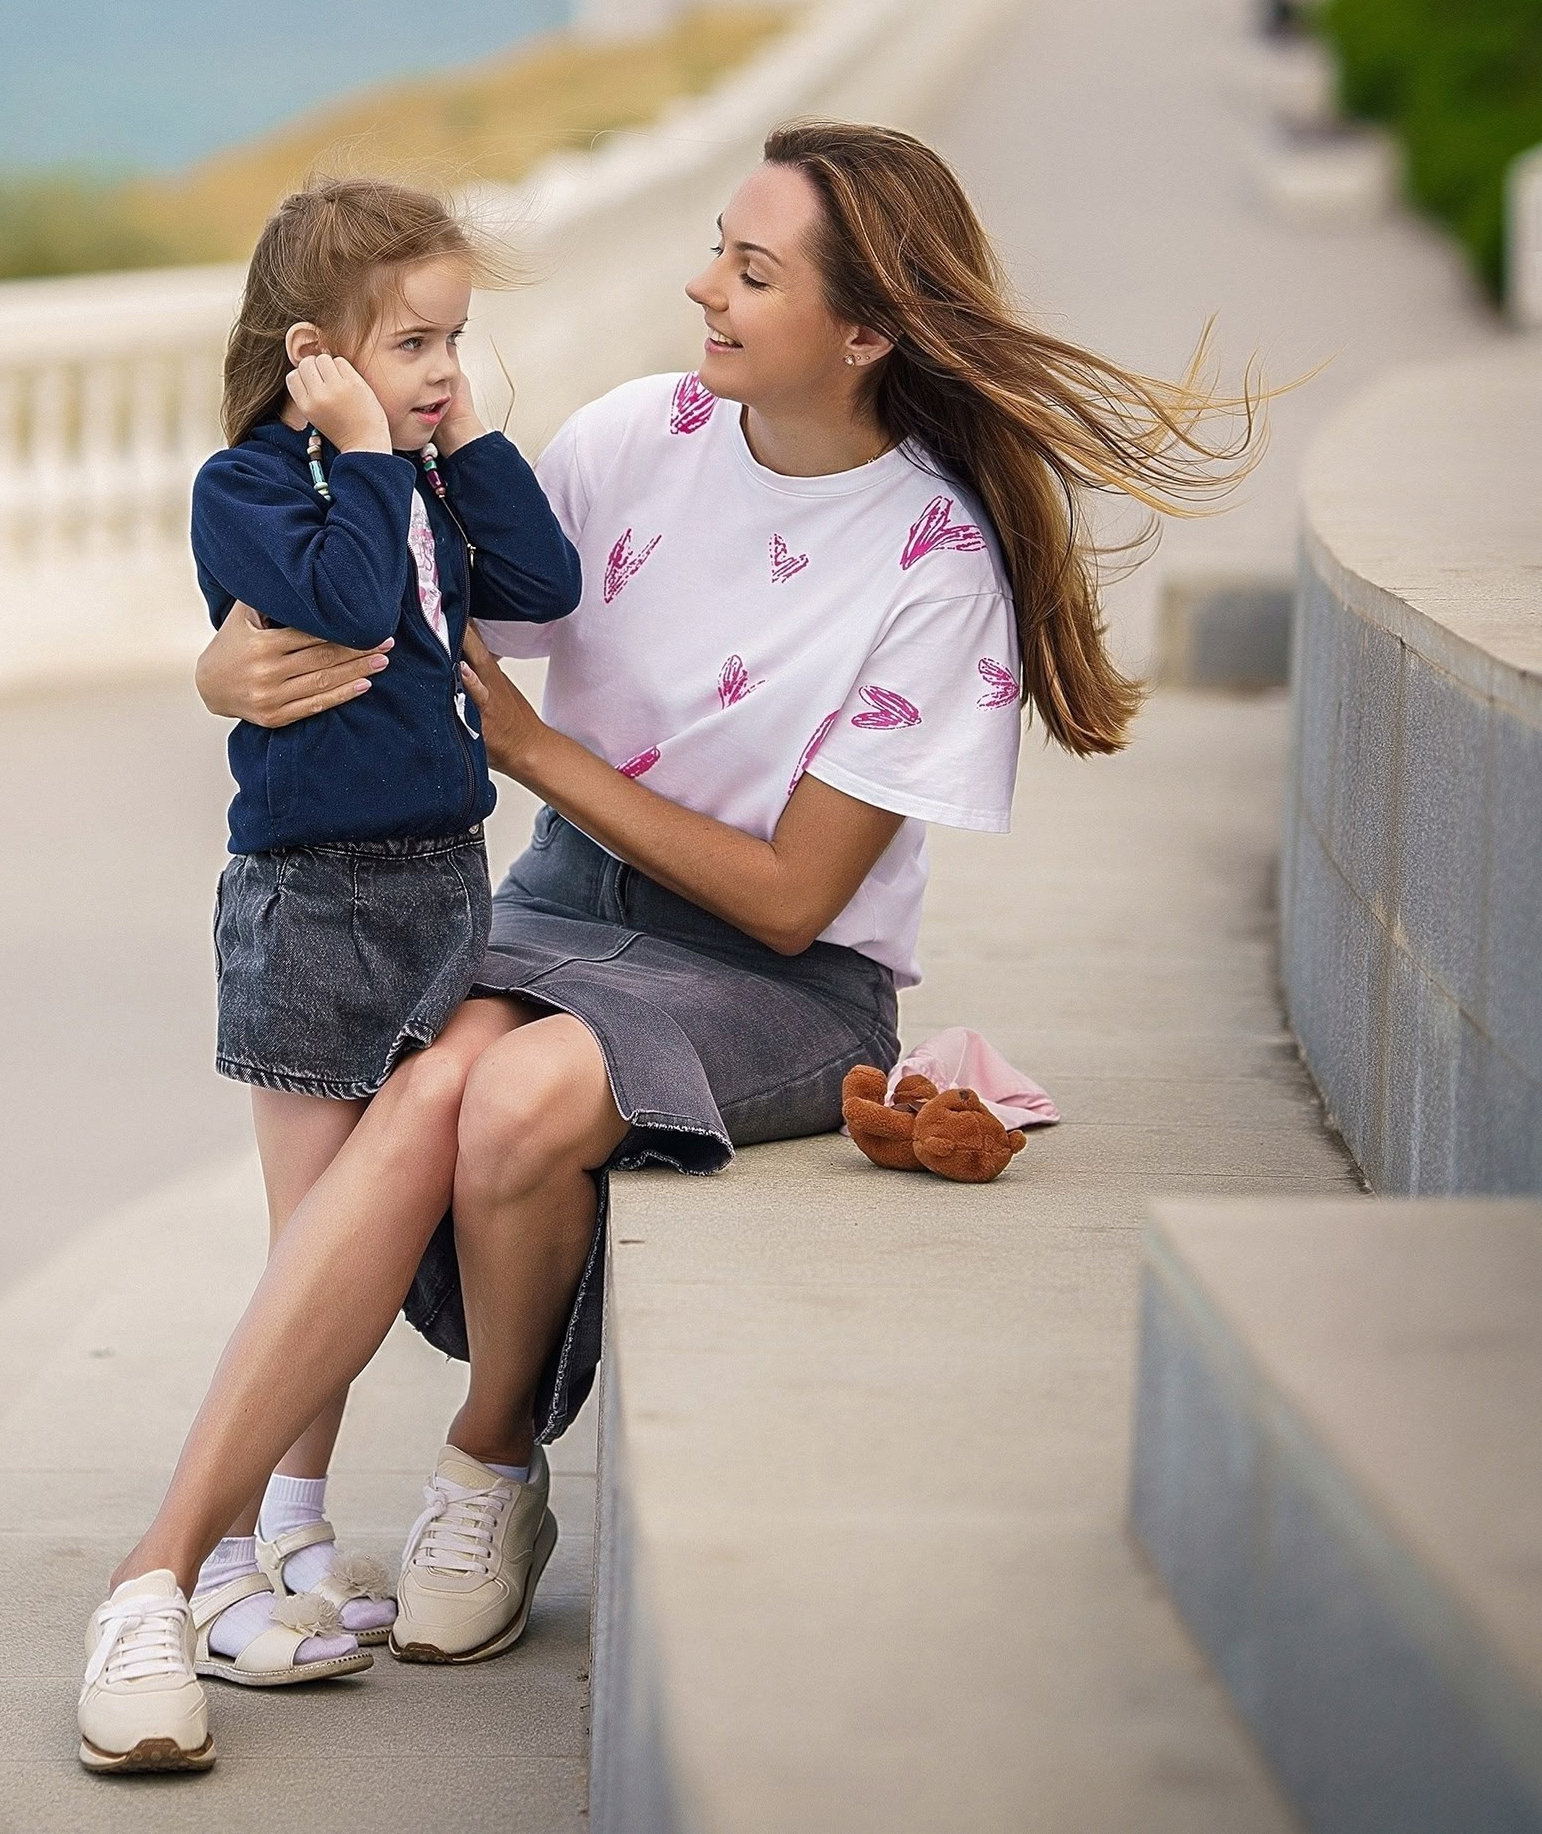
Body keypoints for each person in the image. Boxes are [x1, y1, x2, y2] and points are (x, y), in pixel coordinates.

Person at [77, 120, 1261, 1776]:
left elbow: (791, 899)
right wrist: (223, 671)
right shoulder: (645, 432)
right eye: (718, 243)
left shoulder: (933, 561)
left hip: (777, 980)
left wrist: (542, 751)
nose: (700, 284)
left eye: (751, 269)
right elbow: (413, 600)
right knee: (431, 1100)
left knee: (510, 1099)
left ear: (863, 333)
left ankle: (491, 1471)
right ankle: (156, 1573)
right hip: (559, 907)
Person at [77, 176, 579, 1774]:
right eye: (412, 341)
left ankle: (292, 1527)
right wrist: (367, 452)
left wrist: (443, 438)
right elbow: (357, 603)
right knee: (318, 1246)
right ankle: (222, 1556)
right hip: (310, 903)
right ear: (312, 354)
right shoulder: (253, 489)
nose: (442, 369)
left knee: (366, 1243)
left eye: (459, 341)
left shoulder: (410, 474)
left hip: (443, 889)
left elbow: (546, 585)